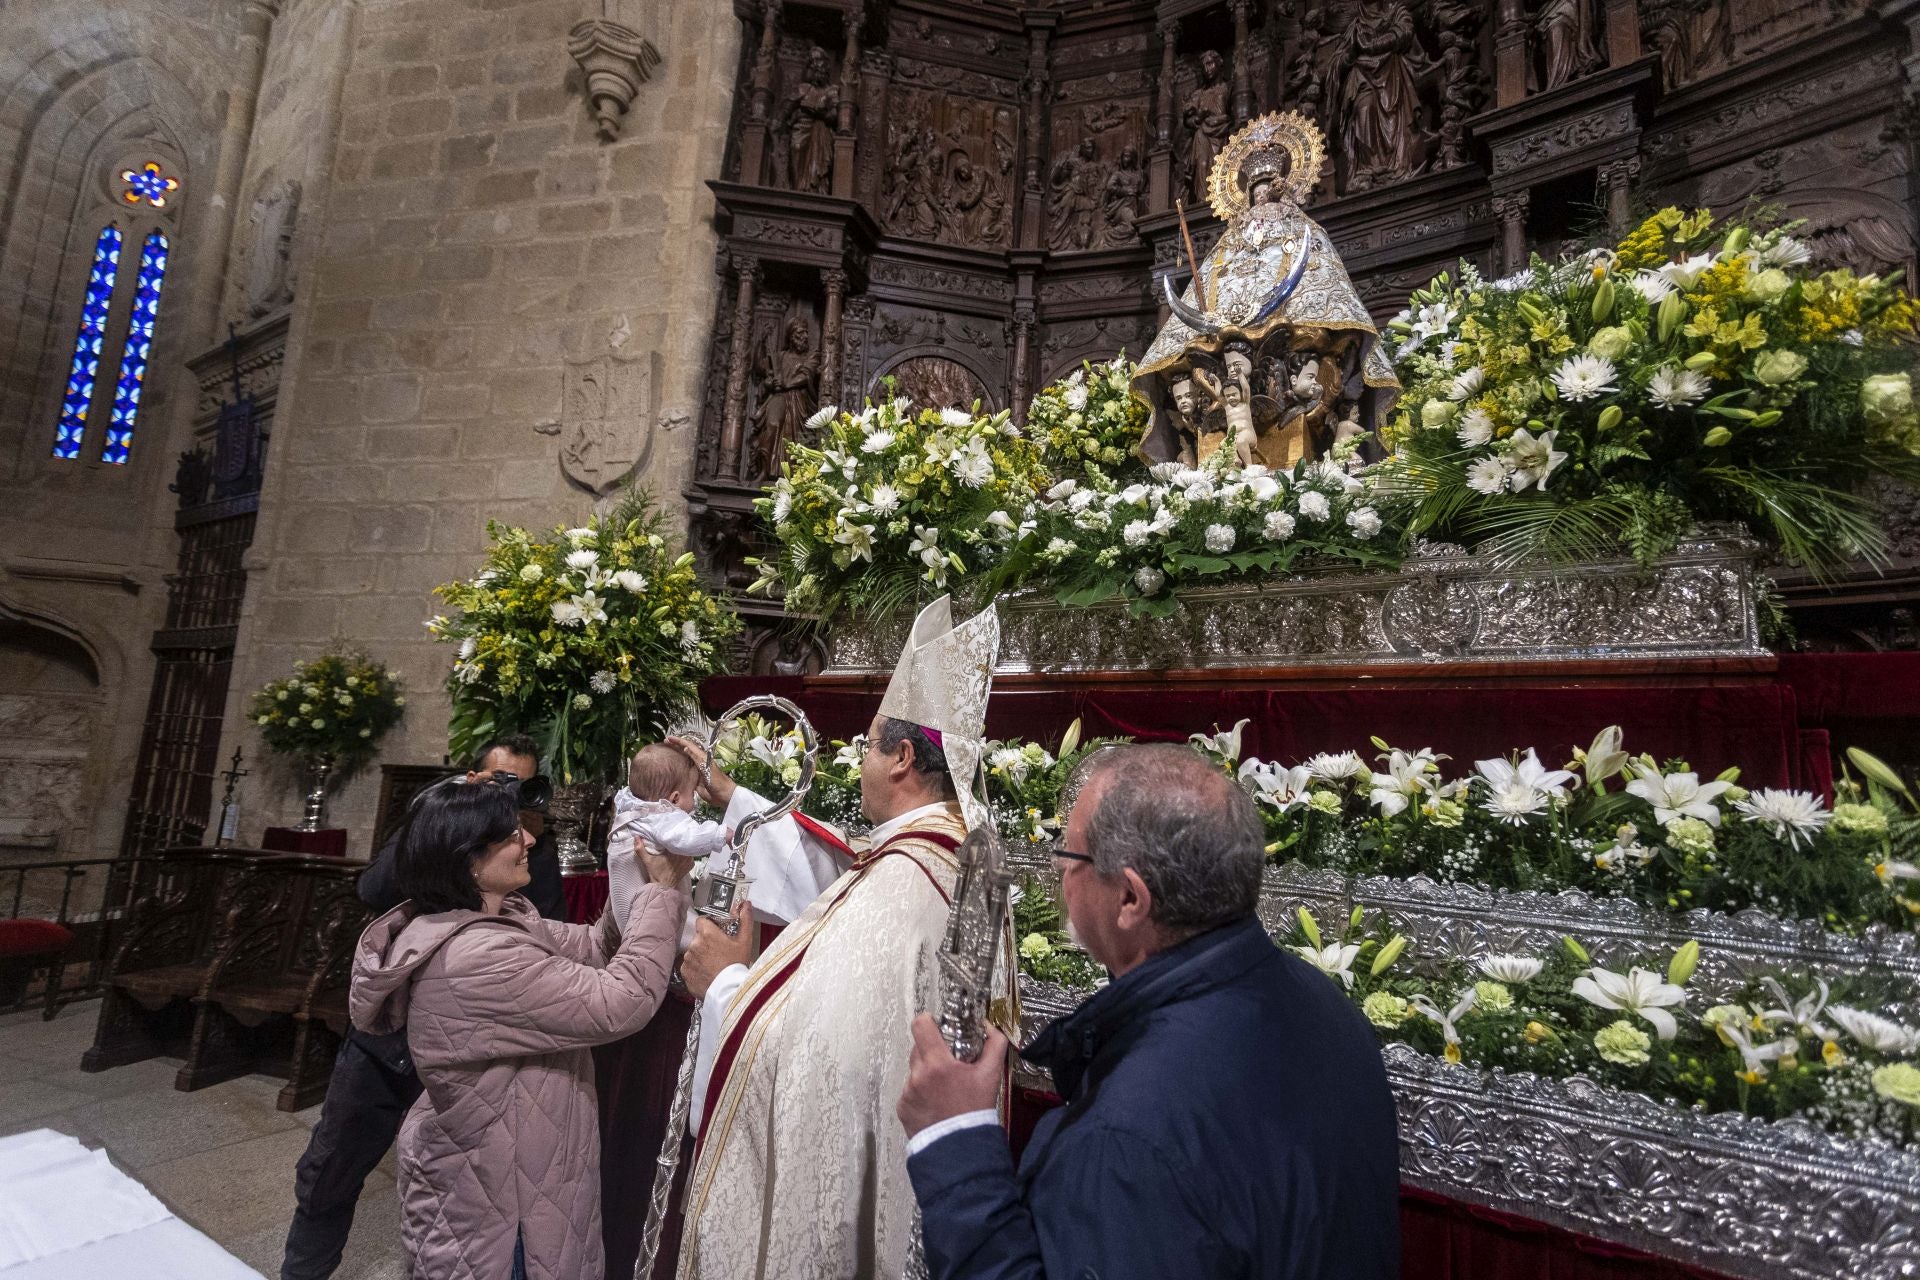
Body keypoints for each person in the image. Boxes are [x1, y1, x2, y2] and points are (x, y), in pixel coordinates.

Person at [897, 743, 1401, 1280]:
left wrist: (957, 1144)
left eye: (1070, 857)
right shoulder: (1326, 1006)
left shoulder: (1127, 1137)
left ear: (1131, 899)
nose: (1061, 875)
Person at [672, 594, 1009, 1279]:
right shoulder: (943, 858)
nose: (858, 762)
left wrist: (725, 985)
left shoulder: (901, 886)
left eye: (867, 745)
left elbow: (821, 1058)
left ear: (902, 757)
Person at [349, 778, 687, 1280]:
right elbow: (622, 1002)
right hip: (502, 1207)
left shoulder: (491, 919)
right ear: (468, 859)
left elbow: (595, 949)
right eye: (510, 834)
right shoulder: (476, 956)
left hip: (523, 1171)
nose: (529, 839)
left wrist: (626, 870)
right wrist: (661, 892)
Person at [281, 735, 559, 1280]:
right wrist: (446, 810)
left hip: (464, 1056)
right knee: (330, 1170)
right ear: (469, 776)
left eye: (520, 790)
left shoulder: (528, 851)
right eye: (498, 782)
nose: (509, 801)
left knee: (457, 1201)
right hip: (389, 1045)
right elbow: (372, 888)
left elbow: (544, 933)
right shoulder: (432, 830)